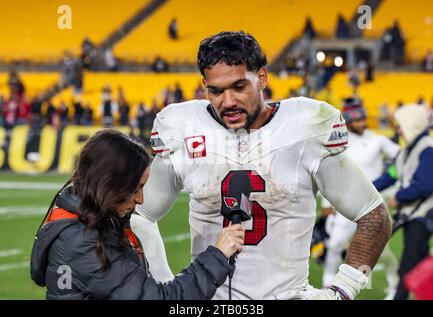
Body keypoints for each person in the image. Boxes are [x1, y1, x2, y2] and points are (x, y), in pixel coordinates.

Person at [134, 31, 392, 300]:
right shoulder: (183, 127)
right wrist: (166, 284)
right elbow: (140, 216)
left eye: (239, 87)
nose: (228, 101)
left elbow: (373, 216)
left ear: (262, 77)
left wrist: (343, 291)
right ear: (204, 85)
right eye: (216, 91)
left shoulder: (304, 128)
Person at [30, 129, 245, 300]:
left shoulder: (95, 221)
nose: (141, 199)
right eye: (134, 189)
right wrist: (217, 255)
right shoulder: (81, 241)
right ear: (109, 184)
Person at [320, 99, 400, 299]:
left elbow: (401, 158)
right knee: (335, 244)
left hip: (373, 207)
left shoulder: (377, 139)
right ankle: (327, 284)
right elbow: (325, 172)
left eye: (364, 118)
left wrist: (392, 179)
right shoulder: (340, 142)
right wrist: (325, 203)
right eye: (358, 119)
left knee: (382, 252)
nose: (363, 122)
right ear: (348, 120)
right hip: (345, 204)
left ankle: (394, 284)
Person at [373, 104, 433, 300]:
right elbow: (390, 176)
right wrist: (367, 189)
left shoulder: (427, 151)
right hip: (412, 215)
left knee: (408, 265)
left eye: (400, 125)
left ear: (411, 125)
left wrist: (399, 197)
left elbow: (424, 185)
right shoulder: (407, 151)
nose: (397, 130)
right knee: (420, 260)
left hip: (423, 216)